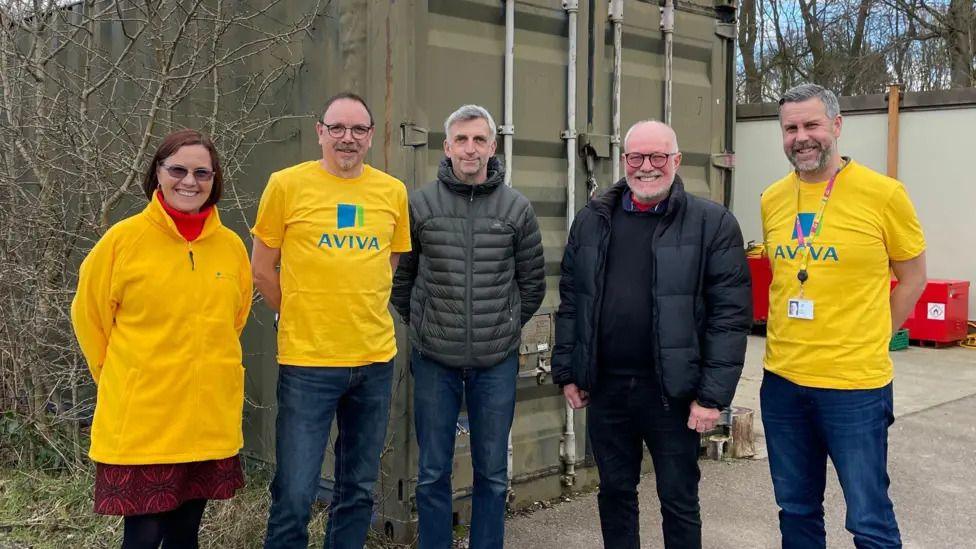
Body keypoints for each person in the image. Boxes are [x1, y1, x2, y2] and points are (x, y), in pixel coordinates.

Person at [551, 120, 751, 549]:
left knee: (678, 499)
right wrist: (569, 371)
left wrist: (713, 396)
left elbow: (729, 317)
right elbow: (572, 301)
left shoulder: (712, 224)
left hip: (674, 393)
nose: (646, 167)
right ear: (624, 162)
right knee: (615, 494)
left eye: (657, 157)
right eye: (636, 157)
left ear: (676, 161)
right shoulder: (592, 221)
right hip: (606, 389)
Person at [760, 83, 927, 549]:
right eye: (791, 128)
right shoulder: (773, 198)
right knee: (795, 510)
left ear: (836, 125)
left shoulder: (884, 195)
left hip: (855, 387)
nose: (801, 137)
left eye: (812, 125)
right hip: (783, 382)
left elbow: (913, 278)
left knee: (869, 517)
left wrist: (875, 337)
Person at [71, 129, 252, 548]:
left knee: (186, 534)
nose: (190, 181)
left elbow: (234, 318)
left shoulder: (230, 247)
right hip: (144, 420)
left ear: (214, 179)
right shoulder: (123, 241)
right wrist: (122, 377)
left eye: (202, 173)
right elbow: (89, 317)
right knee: (143, 535)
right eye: (178, 170)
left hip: (206, 419)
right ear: (158, 173)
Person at [253, 92, 411, 549]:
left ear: (370, 137)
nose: (348, 137)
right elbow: (262, 269)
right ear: (319, 131)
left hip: (374, 361)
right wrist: (299, 311)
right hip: (308, 362)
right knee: (295, 492)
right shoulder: (286, 185)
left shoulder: (391, 192)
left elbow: (390, 262)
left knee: (358, 490)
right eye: (337, 128)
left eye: (358, 129)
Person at [391, 105, 545, 549]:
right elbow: (402, 281)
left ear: (492, 147)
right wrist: (422, 323)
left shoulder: (516, 208)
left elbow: (531, 284)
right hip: (434, 360)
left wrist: (504, 326)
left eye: (479, 140)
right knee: (433, 472)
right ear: (447, 146)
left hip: (495, 363)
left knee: (492, 474)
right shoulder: (419, 205)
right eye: (461, 139)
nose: (470, 149)